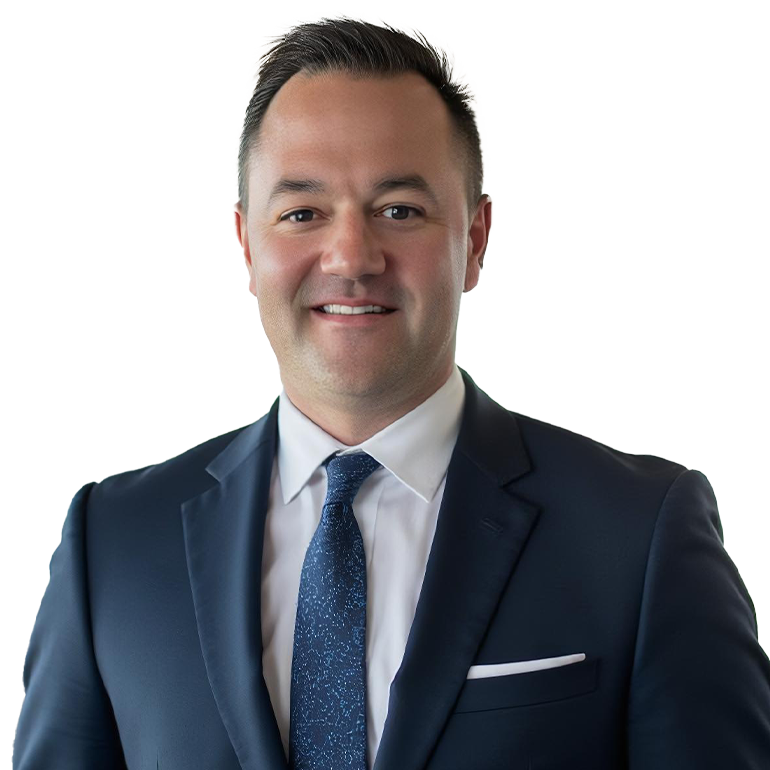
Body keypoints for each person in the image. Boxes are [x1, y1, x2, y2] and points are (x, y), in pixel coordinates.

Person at [13, 16, 770, 770]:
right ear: (247, 245)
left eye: (399, 209)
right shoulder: (112, 542)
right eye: (302, 212)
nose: (350, 255)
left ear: (472, 241)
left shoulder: (640, 532)